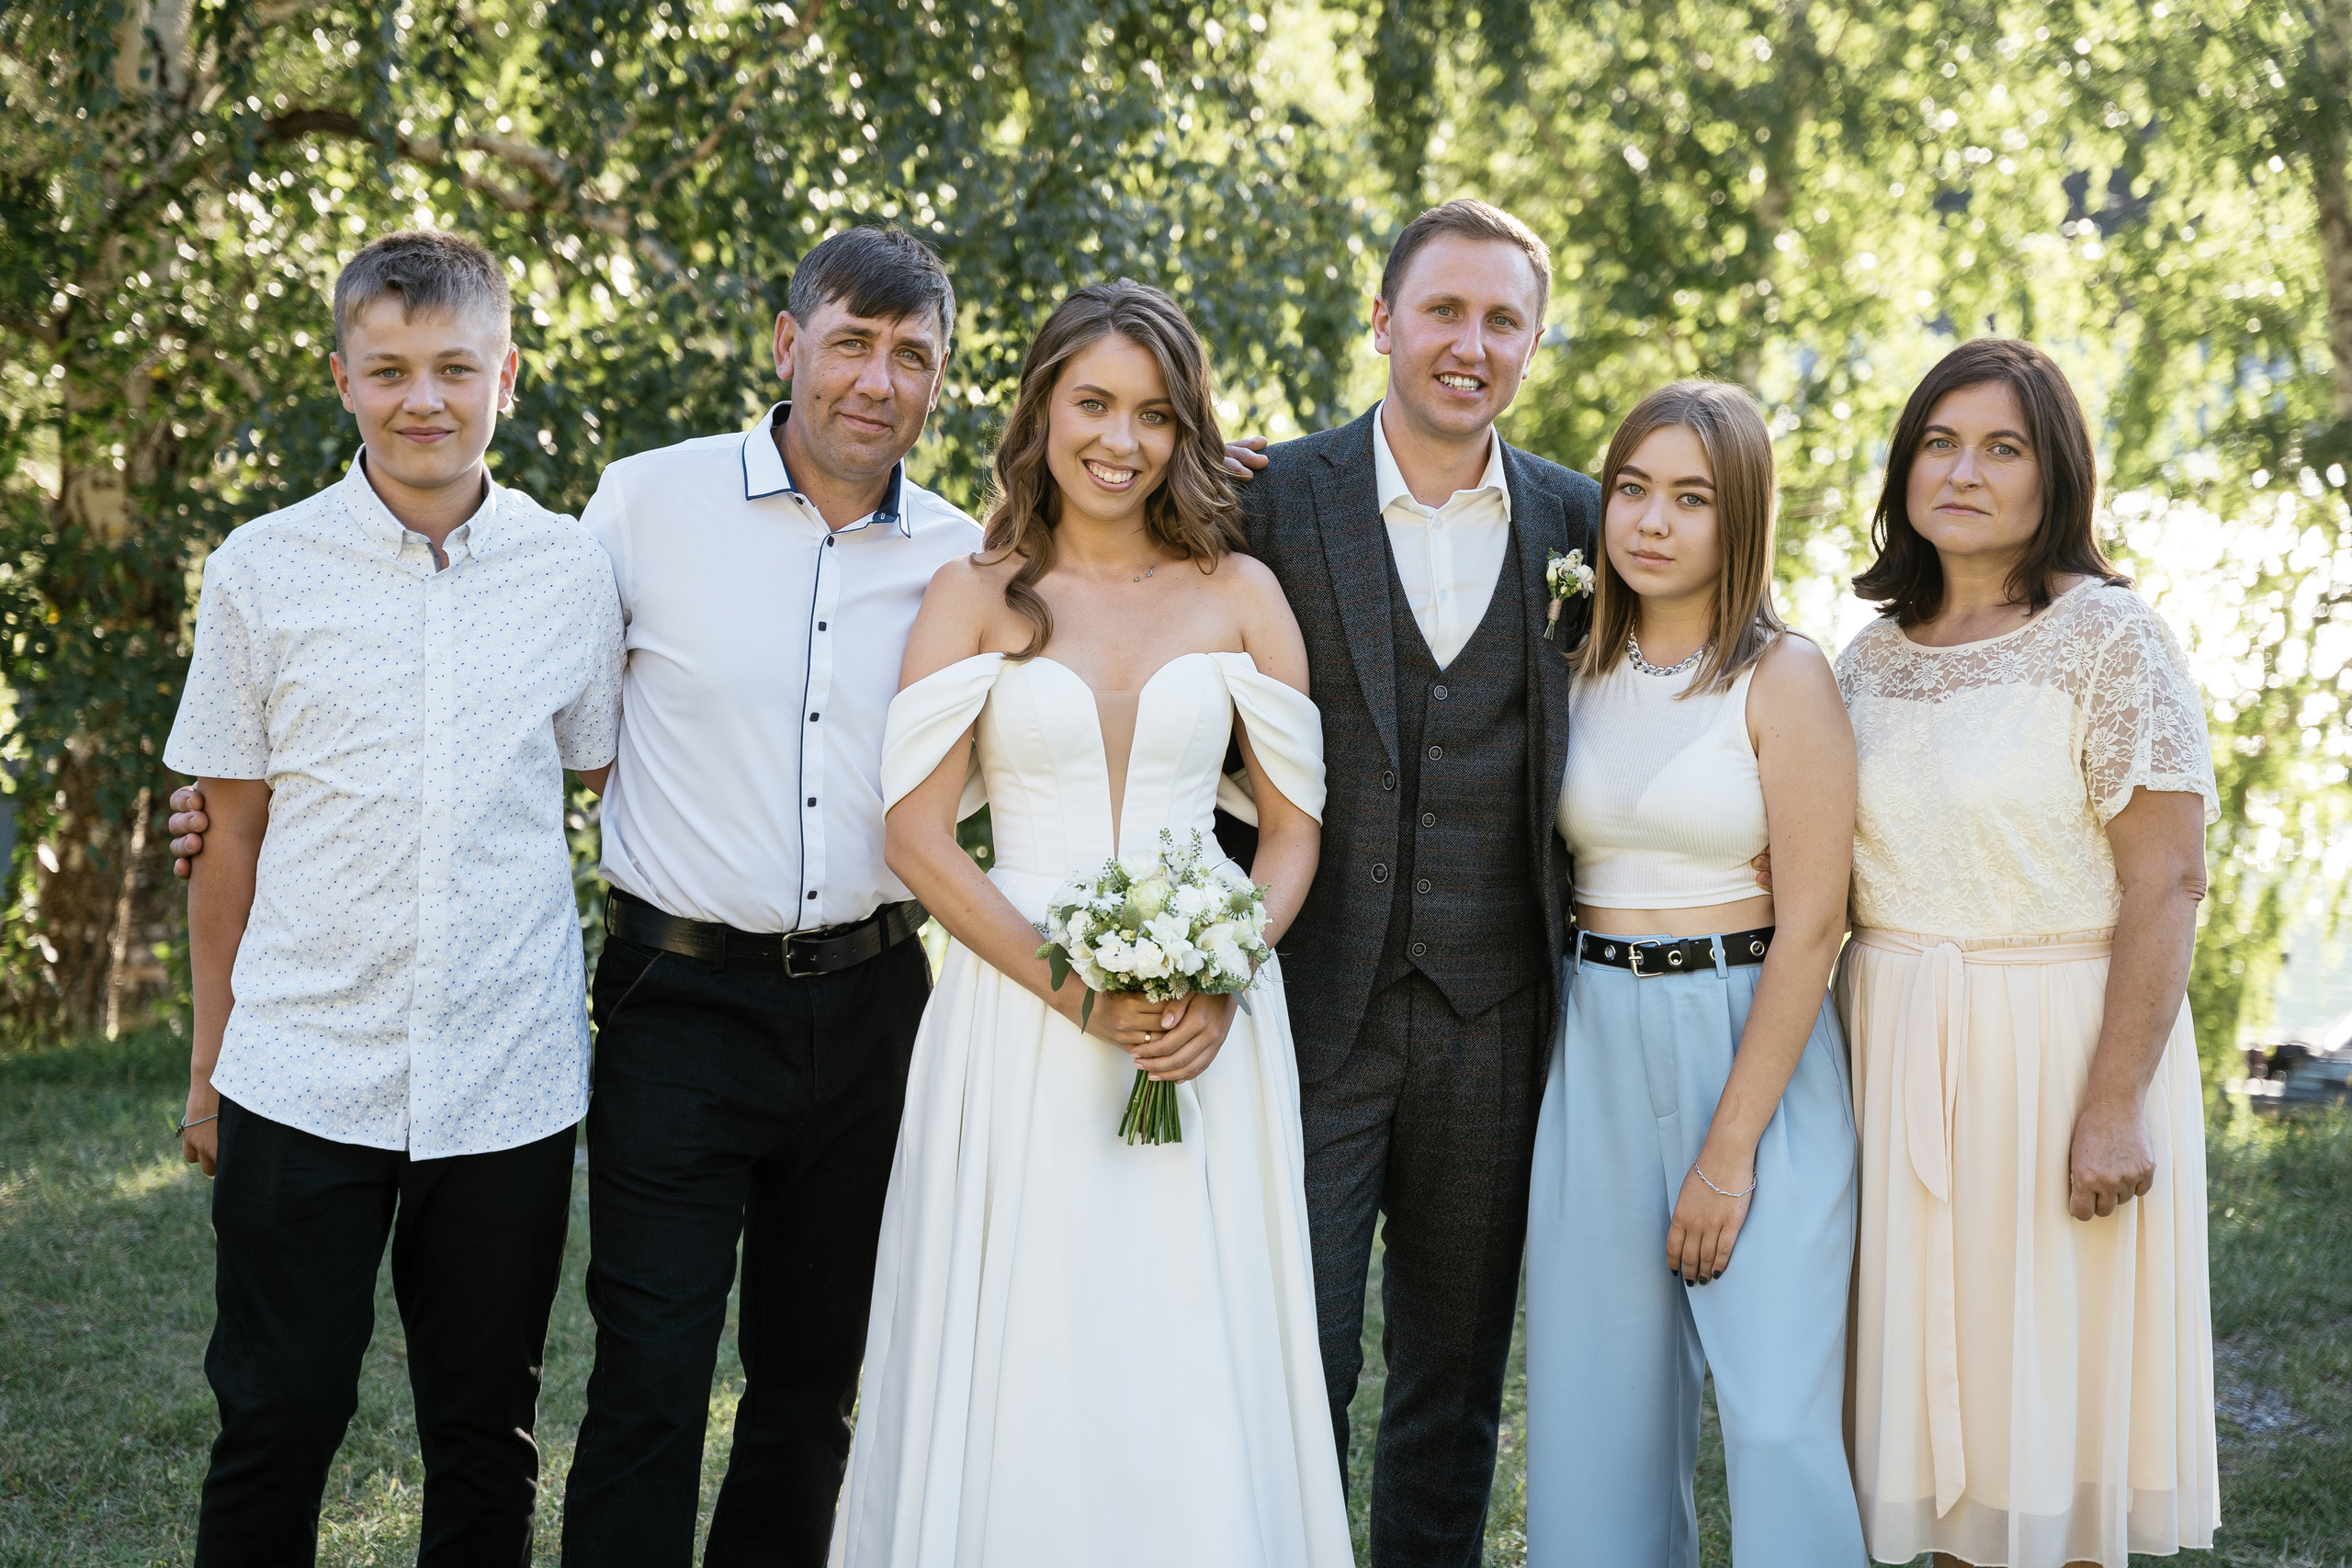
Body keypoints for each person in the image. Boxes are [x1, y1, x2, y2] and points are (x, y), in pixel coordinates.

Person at [832, 280, 1350, 1566]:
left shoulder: (1241, 592)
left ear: (1186, 431)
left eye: (1155, 415)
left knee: (1189, 1331)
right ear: (1043, 410)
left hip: (1206, 1027)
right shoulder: (974, 593)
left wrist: (1225, 976)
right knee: (1031, 1326)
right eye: (1094, 404)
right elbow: (916, 837)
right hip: (1018, 1019)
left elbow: (1292, 834)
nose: (1122, 440)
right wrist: (1080, 995)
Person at [164, 229, 623, 1562]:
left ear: (506, 377)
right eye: (390, 371)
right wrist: (209, 1070)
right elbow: (227, 834)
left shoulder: (571, 572)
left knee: (485, 1431)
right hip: (302, 1064)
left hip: (506, 1070)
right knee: (277, 1414)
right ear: (343, 379)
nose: (425, 399)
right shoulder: (260, 569)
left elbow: (604, 773)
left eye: (455, 368)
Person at [1220, 197, 1602, 1566]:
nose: (1469, 344)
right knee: (1294, 1362)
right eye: (1443, 310)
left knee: (1452, 1386)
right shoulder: (1266, 496)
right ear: (1383, 320)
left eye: (1503, 321)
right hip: (1309, 1001)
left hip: (1496, 1013)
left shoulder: (1585, 519)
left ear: (1534, 344)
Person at [1835, 339, 2220, 1568]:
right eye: (1940, 443)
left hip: (2056, 1054)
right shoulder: (1865, 659)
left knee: (2047, 1407)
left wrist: (2114, 1103)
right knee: (1933, 1415)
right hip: (1893, 1052)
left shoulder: (2109, 639)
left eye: (2002, 448)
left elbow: (2168, 880)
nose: (1963, 472)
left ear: (2055, 475)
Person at [1521, 381, 1865, 1565]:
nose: (1653, 521)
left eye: (1692, 498)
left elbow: (1815, 924)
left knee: (1775, 1420)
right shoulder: (1571, 666)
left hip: (1748, 1037)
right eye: (1631, 489)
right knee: (1595, 1421)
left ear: (1742, 518)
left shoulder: (1785, 676)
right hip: (1597, 1044)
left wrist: (1727, 1155)